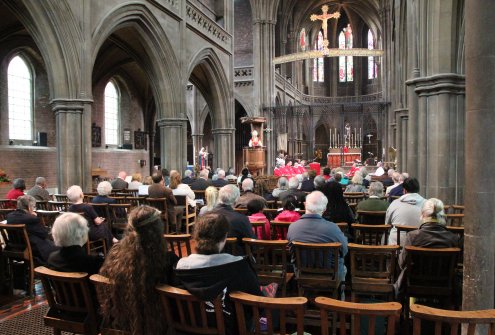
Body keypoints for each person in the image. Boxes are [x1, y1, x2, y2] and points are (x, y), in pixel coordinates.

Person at [175, 213, 264, 334]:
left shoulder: (180, 266)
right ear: (224, 237)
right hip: (232, 328)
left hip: (192, 327)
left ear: (195, 237)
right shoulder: (239, 266)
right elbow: (257, 305)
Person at [98, 206, 178, 335]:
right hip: (157, 323)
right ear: (158, 230)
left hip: (122, 318)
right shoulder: (167, 260)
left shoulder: (115, 255)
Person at [395, 198, 461, 296]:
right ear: (443, 217)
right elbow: (455, 266)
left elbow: (401, 263)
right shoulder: (453, 239)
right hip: (443, 284)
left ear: (422, 215)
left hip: (415, 282)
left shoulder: (412, 236)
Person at [287, 191, 348, 281]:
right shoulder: (333, 228)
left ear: (305, 205)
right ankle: (339, 294)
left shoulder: (293, 227)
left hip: (302, 274)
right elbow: (344, 250)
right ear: (324, 209)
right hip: (331, 275)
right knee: (343, 266)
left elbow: (291, 252)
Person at [6, 195, 58, 263]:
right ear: (29, 207)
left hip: (14, 246)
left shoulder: (9, 216)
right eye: (34, 206)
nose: (34, 209)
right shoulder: (31, 218)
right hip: (32, 248)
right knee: (58, 248)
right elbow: (44, 234)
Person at [67, 185, 115, 249]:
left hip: (77, 233)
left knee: (103, 226)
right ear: (81, 195)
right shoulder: (87, 207)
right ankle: (110, 246)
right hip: (90, 233)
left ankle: (111, 242)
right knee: (104, 224)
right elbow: (97, 222)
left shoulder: (70, 208)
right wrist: (100, 220)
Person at [212, 185, 255, 255]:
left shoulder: (205, 216)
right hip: (235, 259)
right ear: (236, 199)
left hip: (211, 259)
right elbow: (252, 243)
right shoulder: (241, 219)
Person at [386, 177, 425, 245]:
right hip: (418, 243)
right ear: (418, 190)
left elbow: (387, 224)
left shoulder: (395, 203)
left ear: (404, 190)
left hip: (397, 244)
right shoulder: (427, 204)